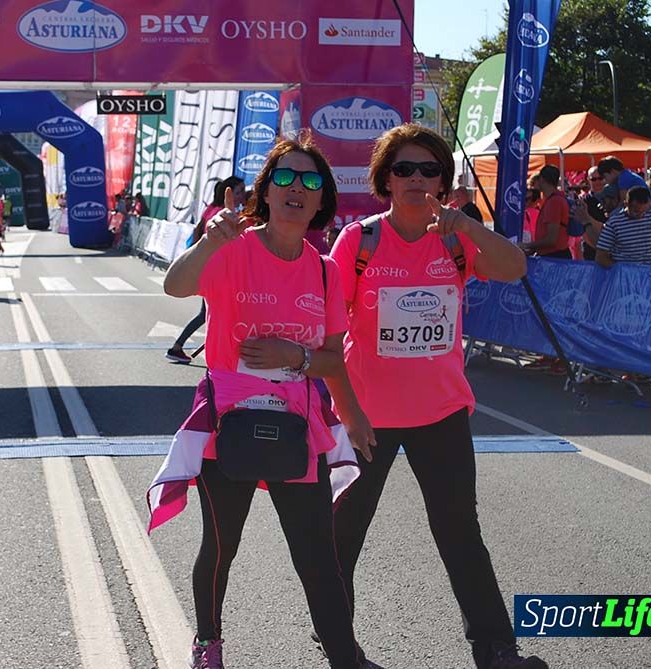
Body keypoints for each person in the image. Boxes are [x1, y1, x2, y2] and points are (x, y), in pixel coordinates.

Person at [155, 133, 378, 669]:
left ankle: (345, 657)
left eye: (309, 180)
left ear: (322, 198)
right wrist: (209, 242)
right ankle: (208, 644)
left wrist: (294, 356)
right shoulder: (233, 247)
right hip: (228, 419)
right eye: (284, 177)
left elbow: (331, 359)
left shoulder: (324, 269)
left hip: (296, 426)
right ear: (266, 191)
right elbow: (174, 286)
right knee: (221, 544)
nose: (296, 188)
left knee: (317, 555)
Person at [328, 124, 546, 669]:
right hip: (367, 417)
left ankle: (496, 649)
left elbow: (514, 268)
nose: (417, 179)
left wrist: (470, 226)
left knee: (460, 533)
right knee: (342, 535)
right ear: (386, 179)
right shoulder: (360, 241)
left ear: (444, 181)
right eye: (404, 169)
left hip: (442, 413)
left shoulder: (454, 238)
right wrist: (348, 411)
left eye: (429, 170)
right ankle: (338, 645)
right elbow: (331, 334)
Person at [166, 176, 246, 364]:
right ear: (228, 193)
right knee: (207, 314)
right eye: (239, 192)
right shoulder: (222, 214)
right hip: (212, 271)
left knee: (209, 314)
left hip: (208, 268)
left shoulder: (212, 209)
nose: (243, 195)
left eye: (243, 191)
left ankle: (179, 347)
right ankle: (177, 347)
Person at [595, 185, 651, 268]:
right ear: (626, 204)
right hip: (624, 274)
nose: (640, 215)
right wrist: (621, 271)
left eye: (644, 211)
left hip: (649, 272)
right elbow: (601, 255)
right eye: (636, 211)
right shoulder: (614, 223)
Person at [519, 165, 570, 259]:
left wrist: (527, 245)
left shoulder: (554, 202)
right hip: (553, 255)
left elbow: (551, 239)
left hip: (555, 257)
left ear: (542, 180)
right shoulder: (553, 200)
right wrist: (532, 250)